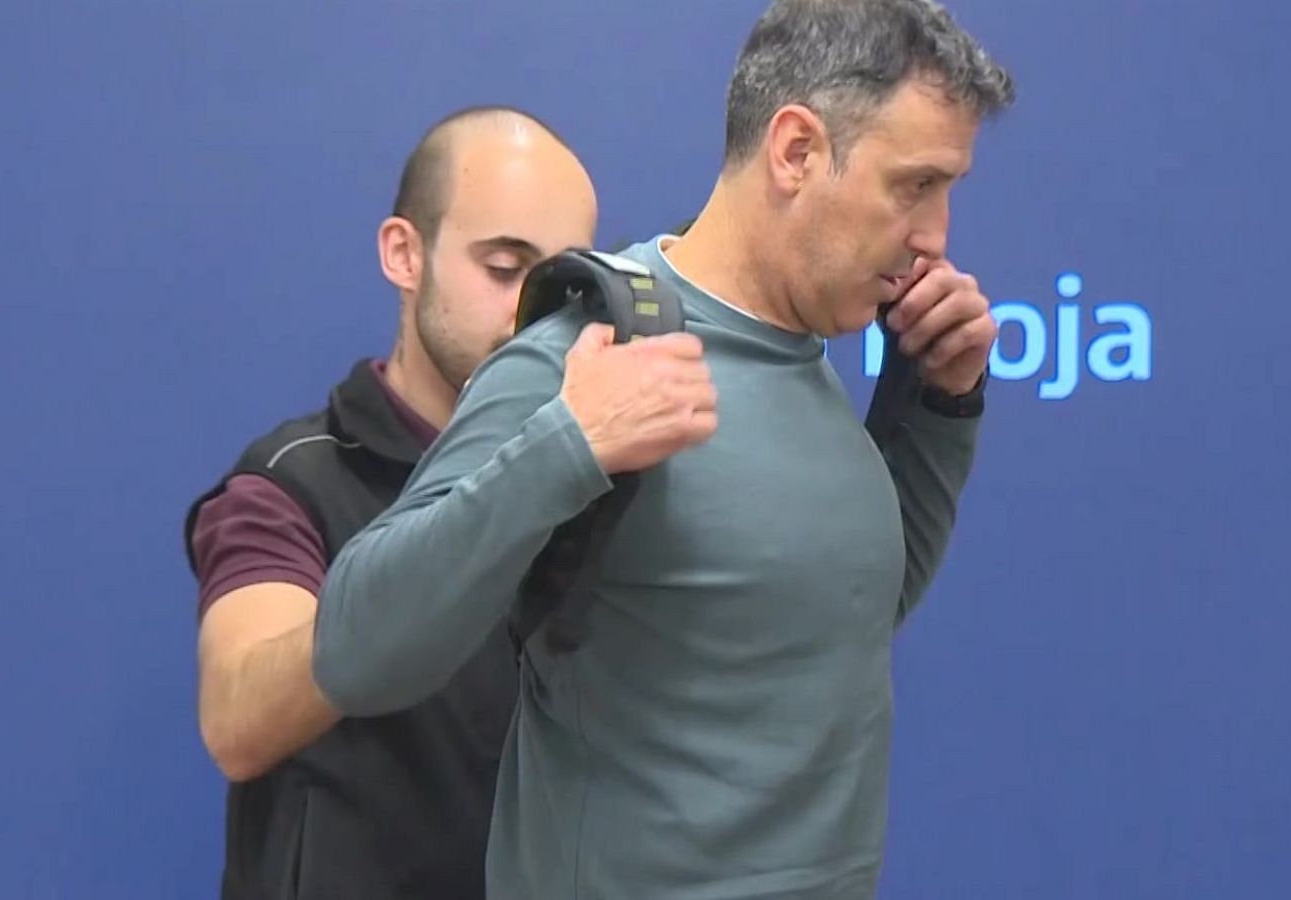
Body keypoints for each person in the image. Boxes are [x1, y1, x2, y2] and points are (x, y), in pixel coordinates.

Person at [308, 1, 1016, 897]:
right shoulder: (593, 351)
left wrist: (941, 411)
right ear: (795, 150)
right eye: (915, 185)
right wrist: (565, 445)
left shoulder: (810, 360)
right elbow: (353, 656)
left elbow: (837, 616)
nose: (936, 235)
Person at [181, 106, 598, 899]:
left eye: (558, 286)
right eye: (504, 269)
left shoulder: (592, 480)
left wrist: (914, 406)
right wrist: (507, 497)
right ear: (405, 253)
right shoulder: (288, 484)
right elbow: (236, 723)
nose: (528, 319)